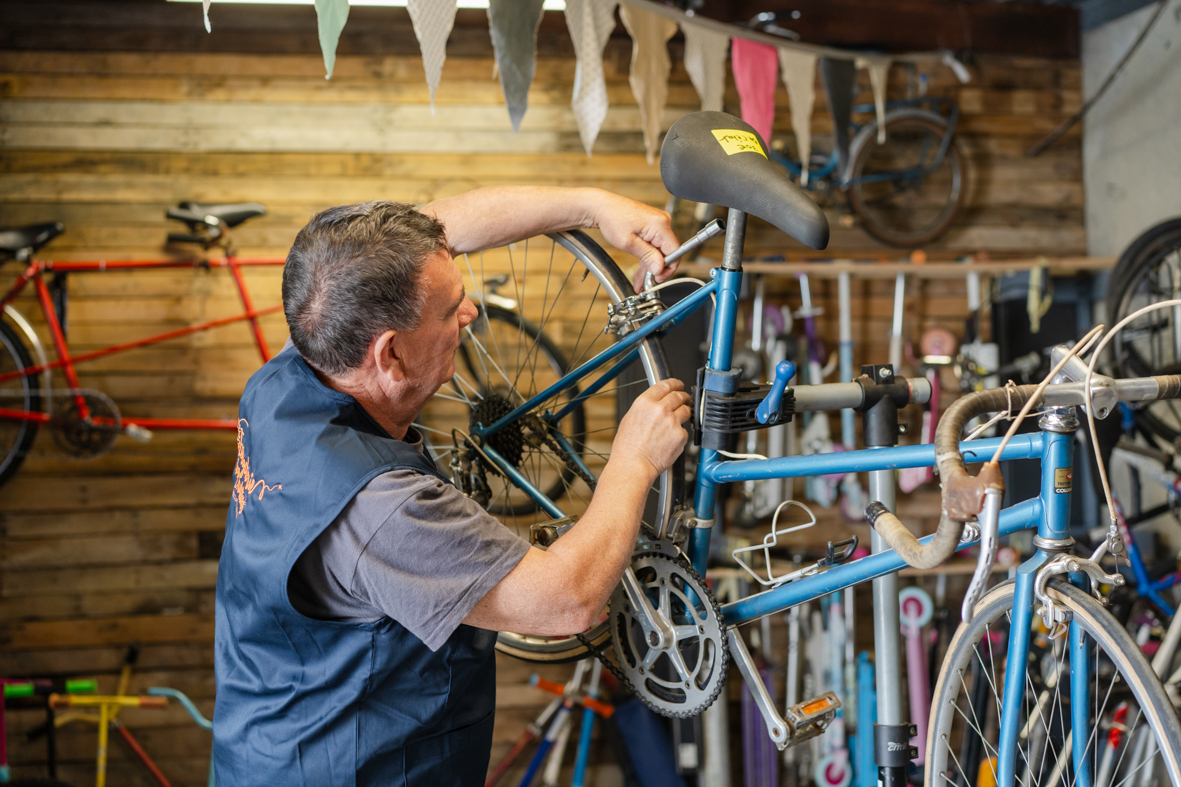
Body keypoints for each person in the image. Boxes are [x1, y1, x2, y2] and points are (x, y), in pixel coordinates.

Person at [212, 187, 693, 785]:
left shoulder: (294, 369)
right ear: (389, 354)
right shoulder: (381, 509)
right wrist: (634, 459)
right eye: (450, 310)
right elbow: (568, 600)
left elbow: (430, 231)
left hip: (262, 744)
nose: (470, 315)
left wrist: (592, 206)